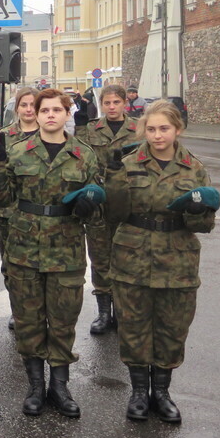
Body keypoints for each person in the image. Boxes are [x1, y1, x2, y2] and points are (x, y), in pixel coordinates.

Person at [0, 88, 101, 418]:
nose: (51, 115)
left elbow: (96, 206)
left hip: (66, 248)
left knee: (64, 319)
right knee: (29, 320)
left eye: (58, 110)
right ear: (35, 115)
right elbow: (5, 198)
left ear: (68, 114)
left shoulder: (84, 155)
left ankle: (60, 385)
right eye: (45, 110)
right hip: (25, 248)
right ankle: (36, 385)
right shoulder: (18, 152)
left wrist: (88, 206)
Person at [105, 100, 216, 423]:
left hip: (177, 259)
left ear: (177, 130)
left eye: (163, 128)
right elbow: (114, 214)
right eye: (151, 129)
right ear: (143, 130)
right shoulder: (127, 164)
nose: (157, 136)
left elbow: (205, 225)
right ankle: (139, 392)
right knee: (134, 327)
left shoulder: (193, 168)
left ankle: (163, 392)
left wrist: (197, 213)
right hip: (132, 257)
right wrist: (112, 177)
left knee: (172, 328)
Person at [74, 84, 138, 334]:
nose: (112, 107)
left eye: (116, 103)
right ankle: (103, 312)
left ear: (124, 104)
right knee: (100, 258)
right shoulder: (91, 129)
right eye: (108, 103)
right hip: (99, 204)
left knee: (126, 258)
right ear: (102, 104)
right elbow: (79, 156)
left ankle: (121, 311)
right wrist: (79, 127)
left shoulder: (137, 129)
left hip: (127, 203)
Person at [0, 87, 39, 331]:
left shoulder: (50, 133)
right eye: (24, 105)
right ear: (17, 108)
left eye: (33, 105)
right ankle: (17, 308)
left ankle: (39, 310)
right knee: (10, 264)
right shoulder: (4, 135)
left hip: (40, 213)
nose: (29, 110)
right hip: (9, 212)